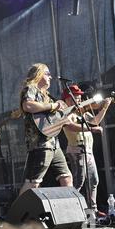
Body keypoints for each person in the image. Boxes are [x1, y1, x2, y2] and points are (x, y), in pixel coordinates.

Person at [18, 63, 73, 196]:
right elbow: (28, 105)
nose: (50, 77)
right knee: (33, 182)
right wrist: (53, 105)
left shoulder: (47, 96)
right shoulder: (31, 88)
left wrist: (66, 118)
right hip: (40, 144)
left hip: (54, 143)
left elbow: (53, 119)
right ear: (39, 74)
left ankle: (66, 212)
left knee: (67, 178)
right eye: (47, 73)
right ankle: (19, 215)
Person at [62, 84, 112, 217]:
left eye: (79, 98)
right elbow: (72, 127)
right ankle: (70, 210)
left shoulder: (83, 113)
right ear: (68, 99)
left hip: (88, 151)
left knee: (94, 180)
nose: (79, 100)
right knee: (78, 181)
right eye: (76, 97)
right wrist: (91, 129)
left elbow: (95, 121)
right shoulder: (66, 113)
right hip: (77, 151)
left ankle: (92, 210)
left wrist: (105, 107)